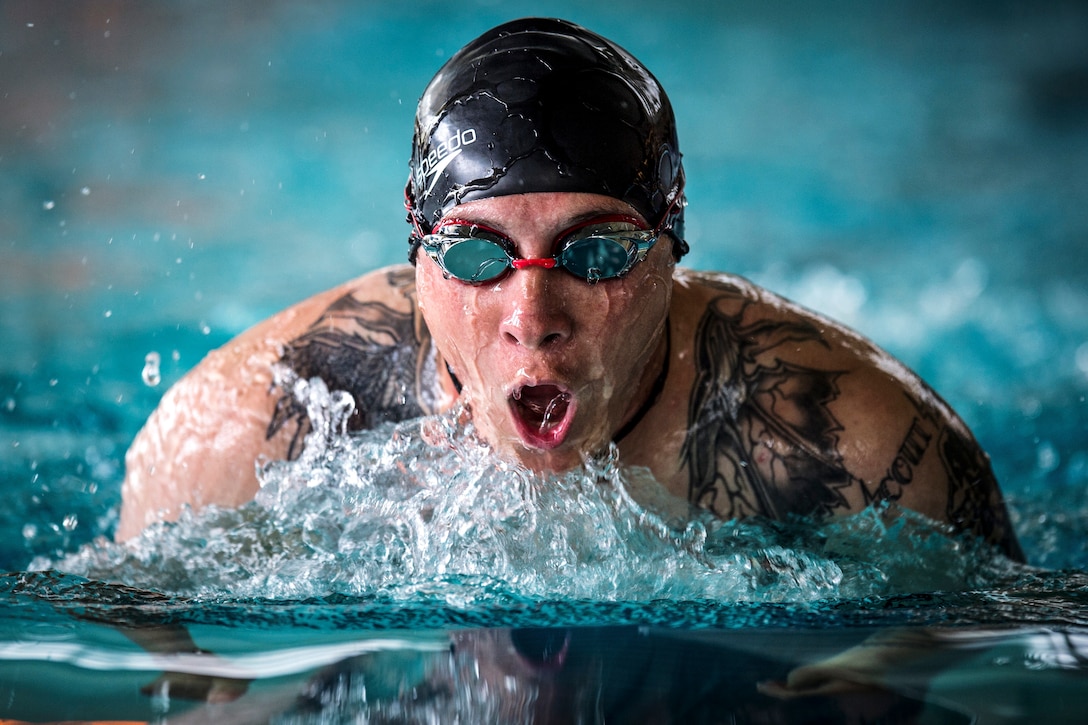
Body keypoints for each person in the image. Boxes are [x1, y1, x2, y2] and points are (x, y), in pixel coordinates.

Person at [117, 17, 1023, 562]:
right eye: (477, 256)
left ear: (672, 243)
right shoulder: (235, 438)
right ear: (420, 259)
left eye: (594, 255)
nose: (531, 320)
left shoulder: (861, 448)